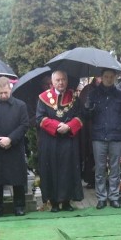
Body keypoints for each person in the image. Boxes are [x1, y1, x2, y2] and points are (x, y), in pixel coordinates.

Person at [83, 68, 121, 209]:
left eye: (111, 77)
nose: (109, 79)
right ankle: (101, 197)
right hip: (98, 135)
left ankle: (114, 196)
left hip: (116, 135)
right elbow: (86, 117)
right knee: (99, 169)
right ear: (101, 77)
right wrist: (88, 108)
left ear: (115, 78)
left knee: (115, 169)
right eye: (106, 76)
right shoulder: (93, 94)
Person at [0, 77, 30, 217]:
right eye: (1, 93)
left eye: (6, 93)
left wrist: (10, 139)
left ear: (10, 89)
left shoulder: (20, 105)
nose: (3, 95)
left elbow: (24, 125)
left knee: (18, 179)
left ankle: (19, 206)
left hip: (14, 147)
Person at [36, 69, 84, 212]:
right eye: (58, 80)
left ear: (67, 81)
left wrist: (69, 126)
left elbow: (81, 117)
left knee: (67, 170)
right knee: (51, 170)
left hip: (68, 141)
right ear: (52, 82)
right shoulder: (43, 98)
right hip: (50, 141)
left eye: (63, 79)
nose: (61, 82)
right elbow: (40, 118)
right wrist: (57, 126)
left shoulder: (74, 97)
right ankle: (54, 202)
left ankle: (67, 202)